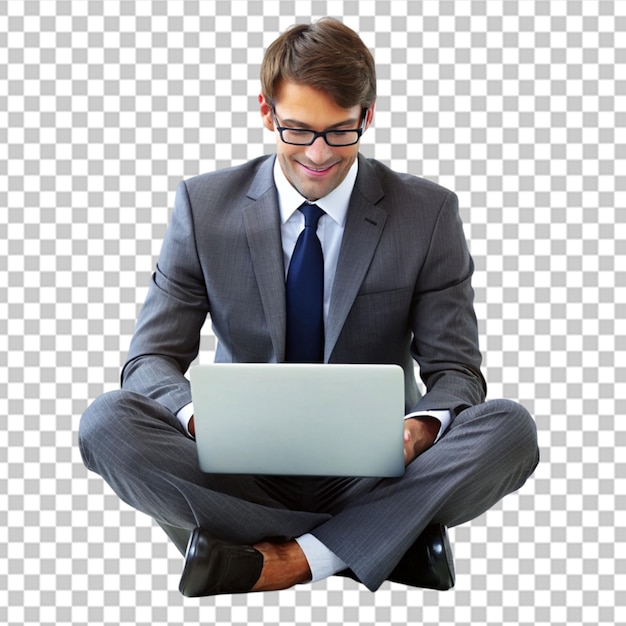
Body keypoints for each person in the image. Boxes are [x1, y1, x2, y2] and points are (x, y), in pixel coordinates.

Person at [79, 18, 539, 596]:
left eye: (339, 132)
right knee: (106, 422)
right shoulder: (204, 206)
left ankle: (279, 559)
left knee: (510, 430)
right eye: (297, 130)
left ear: (366, 116)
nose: (318, 154)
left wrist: (422, 428)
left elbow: (456, 372)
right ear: (267, 112)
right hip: (237, 468)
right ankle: (387, 543)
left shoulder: (427, 214)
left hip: (375, 469)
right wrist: (198, 419)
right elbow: (147, 360)